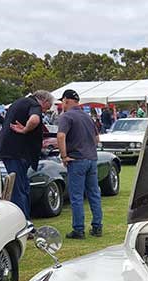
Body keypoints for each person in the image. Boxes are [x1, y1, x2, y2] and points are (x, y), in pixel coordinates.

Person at [0, 90, 55, 219]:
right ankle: (24, 221)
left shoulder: (18, 103)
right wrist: (25, 129)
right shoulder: (34, 105)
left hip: (8, 151)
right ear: (44, 101)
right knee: (19, 189)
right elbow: (34, 120)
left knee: (21, 186)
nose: (46, 111)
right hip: (18, 153)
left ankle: (24, 219)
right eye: (47, 108)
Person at [57, 89, 102, 239]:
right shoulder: (87, 116)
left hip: (76, 160)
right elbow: (97, 139)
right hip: (91, 159)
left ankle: (78, 229)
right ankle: (97, 226)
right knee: (94, 194)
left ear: (66, 100)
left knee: (76, 197)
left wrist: (64, 156)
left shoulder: (66, 116)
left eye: (62, 101)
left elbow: (61, 136)